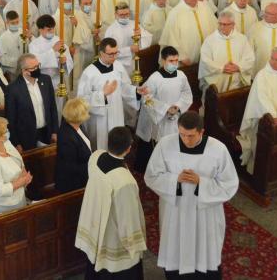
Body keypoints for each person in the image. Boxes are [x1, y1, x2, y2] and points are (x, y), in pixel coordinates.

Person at [144, 112, 239, 279]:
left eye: (190, 136)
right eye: (182, 134)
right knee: (176, 249)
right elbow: (151, 176)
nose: (185, 140)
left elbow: (229, 184)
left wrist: (201, 182)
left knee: (204, 250)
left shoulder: (218, 149)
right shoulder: (165, 145)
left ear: (201, 132)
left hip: (205, 214)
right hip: (175, 211)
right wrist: (175, 180)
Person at [75, 127, 147, 279]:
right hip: (113, 235)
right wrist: (134, 243)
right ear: (129, 148)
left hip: (96, 223)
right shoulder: (125, 181)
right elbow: (127, 218)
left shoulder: (95, 157)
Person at [135, 46, 193, 172]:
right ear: (163, 61)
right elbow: (146, 98)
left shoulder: (181, 76)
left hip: (176, 116)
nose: (174, 64)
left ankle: (172, 168)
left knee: (174, 143)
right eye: (171, 61)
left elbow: (187, 94)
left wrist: (178, 106)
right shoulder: (155, 78)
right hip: (159, 118)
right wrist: (166, 109)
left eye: (176, 60)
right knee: (159, 145)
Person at [76, 38, 142, 149]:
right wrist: (102, 95)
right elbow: (82, 100)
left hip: (117, 114)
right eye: (111, 54)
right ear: (101, 53)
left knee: (117, 146)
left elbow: (124, 88)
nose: (114, 57)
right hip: (99, 120)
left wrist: (136, 91)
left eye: (116, 53)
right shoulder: (89, 73)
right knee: (101, 147)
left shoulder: (118, 66)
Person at [5, 53, 59, 152]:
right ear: (24, 71)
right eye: (34, 68)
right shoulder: (12, 89)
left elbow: (52, 107)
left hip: (47, 133)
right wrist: (16, 143)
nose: (37, 69)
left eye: (38, 65)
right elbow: (11, 119)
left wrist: (54, 131)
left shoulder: (46, 80)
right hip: (26, 138)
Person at [159, 0, 218, 66]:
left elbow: (216, 28)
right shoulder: (175, 13)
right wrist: (182, 57)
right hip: (185, 61)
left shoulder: (205, 7)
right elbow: (171, 39)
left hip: (207, 57)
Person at [198, 11, 255, 93]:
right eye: (220, 24)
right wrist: (221, 68)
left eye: (225, 24)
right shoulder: (209, 40)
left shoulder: (242, 39)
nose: (222, 27)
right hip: (218, 82)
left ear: (233, 25)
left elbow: (250, 58)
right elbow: (205, 60)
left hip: (237, 81)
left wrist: (238, 67)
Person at [55, 98, 92, 193]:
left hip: (82, 177)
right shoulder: (67, 137)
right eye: (85, 111)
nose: (88, 113)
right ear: (79, 115)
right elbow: (71, 167)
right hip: (73, 185)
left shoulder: (77, 126)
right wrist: (93, 165)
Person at [103, 2, 153, 73]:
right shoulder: (111, 30)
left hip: (133, 62)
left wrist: (140, 35)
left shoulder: (134, 24)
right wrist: (129, 49)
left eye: (127, 14)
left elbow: (148, 38)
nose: (124, 17)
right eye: (121, 15)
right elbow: (109, 52)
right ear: (116, 15)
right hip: (117, 64)